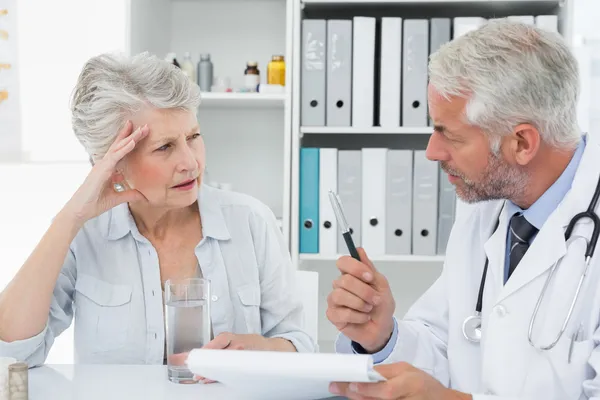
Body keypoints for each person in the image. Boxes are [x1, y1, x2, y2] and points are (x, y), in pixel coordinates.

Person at [326, 20, 600, 399]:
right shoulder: (483, 210)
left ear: (522, 143)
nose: (432, 152)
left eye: (449, 134)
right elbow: (448, 343)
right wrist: (382, 336)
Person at [0, 52, 315, 367]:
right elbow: (14, 354)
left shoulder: (250, 221)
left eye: (193, 137)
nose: (190, 163)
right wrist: (69, 218)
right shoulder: (85, 234)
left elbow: (300, 344)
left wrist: (262, 350)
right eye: (164, 147)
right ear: (112, 162)